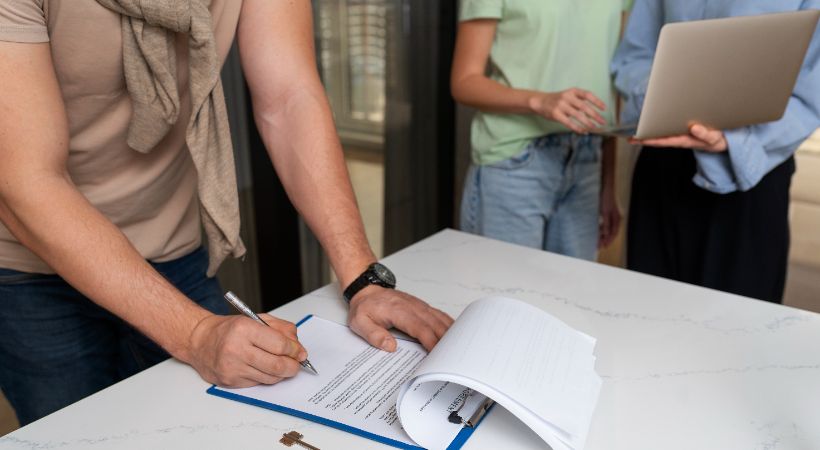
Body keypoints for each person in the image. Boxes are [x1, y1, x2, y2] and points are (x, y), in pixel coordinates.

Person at [0, 0, 453, 426]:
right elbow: (26, 182)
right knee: (83, 433)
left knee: (204, 426)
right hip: (27, 273)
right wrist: (196, 334)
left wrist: (362, 279)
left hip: (172, 246)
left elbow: (289, 97)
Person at [611, 0, 820, 303]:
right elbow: (635, 55)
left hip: (749, 173)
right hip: (662, 162)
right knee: (647, 316)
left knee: (738, 329)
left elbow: (813, 87)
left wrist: (736, 141)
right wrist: (665, 99)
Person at [452, 0, 630, 260]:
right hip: (515, 162)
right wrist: (539, 101)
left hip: (588, 161)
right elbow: (464, 81)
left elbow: (608, 84)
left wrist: (608, 185)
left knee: (570, 295)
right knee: (505, 293)